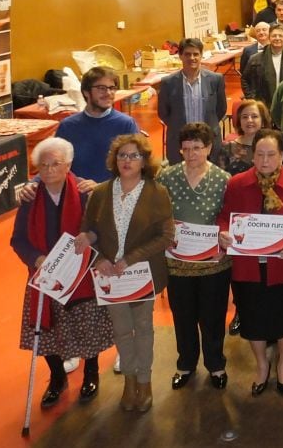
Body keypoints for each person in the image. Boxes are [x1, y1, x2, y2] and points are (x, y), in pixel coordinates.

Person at [11, 138, 113, 409]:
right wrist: (37, 259)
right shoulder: (31, 197)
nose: (49, 170)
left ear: (68, 165)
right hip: (45, 276)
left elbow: (103, 232)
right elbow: (18, 240)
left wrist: (90, 241)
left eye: (55, 164)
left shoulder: (85, 194)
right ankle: (57, 378)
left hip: (81, 275)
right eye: (42, 165)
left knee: (87, 326)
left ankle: (91, 372)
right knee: (46, 330)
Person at [75, 134, 174, 412]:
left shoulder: (157, 192)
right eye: (122, 156)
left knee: (142, 328)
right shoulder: (101, 192)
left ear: (144, 161)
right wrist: (99, 258)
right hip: (109, 277)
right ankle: (129, 382)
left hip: (142, 274)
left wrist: (130, 259)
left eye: (133, 156)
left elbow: (166, 236)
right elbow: (89, 230)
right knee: (121, 330)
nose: (127, 161)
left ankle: (145, 382)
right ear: (114, 160)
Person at [218, 129, 283, 397]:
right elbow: (225, 216)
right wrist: (223, 233)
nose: (265, 160)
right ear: (252, 155)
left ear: (282, 155)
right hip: (247, 267)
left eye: (271, 154)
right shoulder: (236, 184)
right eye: (260, 154)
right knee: (252, 319)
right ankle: (261, 365)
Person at [157, 123, 232, 391]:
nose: (192, 154)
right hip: (178, 263)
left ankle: (216, 364)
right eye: (186, 148)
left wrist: (225, 233)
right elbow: (157, 213)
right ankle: (185, 363)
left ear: (209, 148)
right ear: (179, 149)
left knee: (213, 316)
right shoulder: (166, 177)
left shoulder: (224, 179)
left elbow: (229, 216)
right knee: (183, 315)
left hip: (214, 263)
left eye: (198, 148)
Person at [55, 66, 140, 182]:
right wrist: (33, 184)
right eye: (101, 88)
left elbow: (136, 169)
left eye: (112, 88)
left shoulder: (126, 124)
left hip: (113, 194)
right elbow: (53, 163)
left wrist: (101, 188)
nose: (108, 93)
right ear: (86, 92)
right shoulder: (67, 126)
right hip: (77, 193)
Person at [157, 39, 229, 166]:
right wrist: (177, 125)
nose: (192, 58)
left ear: (201, 55)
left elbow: (221, 109)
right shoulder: (168, 83)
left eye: (196, 54)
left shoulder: (215, 80)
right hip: (179, 142)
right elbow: (163, 112)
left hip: (208, 140)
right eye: (187, 54)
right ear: (180, 56)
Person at [241, 24, 283, 106]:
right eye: (274, 36)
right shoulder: (255, 59)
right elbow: (245, 79)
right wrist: (252, 99)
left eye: (280, 36)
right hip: (263, 105)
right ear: (269, 38)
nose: (277, 38)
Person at [221, 99, 269, 176]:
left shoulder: (271, 148)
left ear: (263, 121)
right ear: (239, 121)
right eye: (245, 117)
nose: (249, 120)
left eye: (254, 116)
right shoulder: (227, 148)